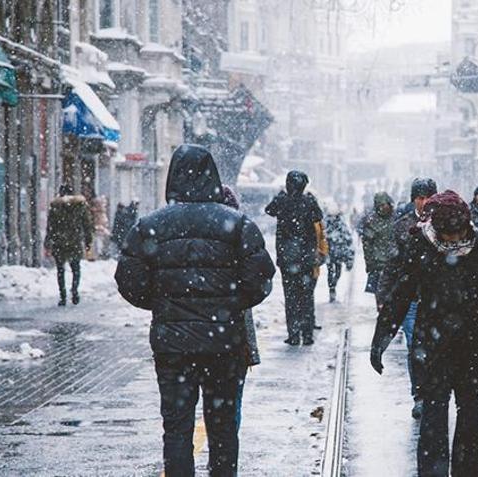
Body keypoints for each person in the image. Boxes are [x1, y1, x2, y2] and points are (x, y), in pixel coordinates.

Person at [115, 145, 275, 476]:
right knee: (222, 428)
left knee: (176, 427)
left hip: (173, 345)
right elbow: (260, 279)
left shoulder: (151, 226)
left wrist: (163, 304)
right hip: (223, 344)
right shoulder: (236, 224)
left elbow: (128, 280)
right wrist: (229, 304)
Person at [370, 190, 478, 477]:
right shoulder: (421, 242)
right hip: (434, 341)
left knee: (469, 408)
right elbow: (403, 290)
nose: (455, 241)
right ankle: (433, 472)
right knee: (434, 408)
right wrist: (383, 334)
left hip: (472, 340)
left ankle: (467, 472)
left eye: (459, 234)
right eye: (449, 236)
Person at [378, 177, 437, 419]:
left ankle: (435, 390)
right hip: (411, 297)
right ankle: (420, 394)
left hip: (437, 296)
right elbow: (391, 264)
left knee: (436, 346)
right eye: (420, 198)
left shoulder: (445, 220)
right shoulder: (402, 225)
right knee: (416, 345)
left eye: (427, 197)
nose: (424, 203)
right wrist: (383, 296)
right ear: (414, 199)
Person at [265, 170, 327, 346]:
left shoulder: (282, 201)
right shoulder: (309, 201)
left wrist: (281, 197)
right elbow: (318, 216)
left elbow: (269, 210)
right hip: (306, 257)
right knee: (306, 297)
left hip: (287, 258)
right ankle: (307, 335)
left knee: (291, 298)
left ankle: (293, 334)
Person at [220, 184, 262, 435]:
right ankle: (225, 460)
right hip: (233, 337)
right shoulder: (241, 236)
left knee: (181, 415)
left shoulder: (185, 234)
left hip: (192, 340)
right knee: (230, 402)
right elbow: (260, 281)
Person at [45, 184, 93, 306]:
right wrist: (88, 242)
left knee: (60, 270)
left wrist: (48, 241)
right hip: (75, 241)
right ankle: (75, 290)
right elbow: (87, 225)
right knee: (75, 268)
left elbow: (50, 226)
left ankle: (63, 296)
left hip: (59, 242)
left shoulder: (55, 206)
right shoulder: (80, 205)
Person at [358, 192, 396, 308]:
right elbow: (367, 246)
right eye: (381, 205)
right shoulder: (371, 221)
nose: (384, 208)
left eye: (386, 204)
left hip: (394, 263)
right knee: (381, 297)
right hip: (379, 264)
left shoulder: (396, 218)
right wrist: (370, 264)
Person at [324, 202, 355, 303]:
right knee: (333, 272)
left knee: (336, 272)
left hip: (336, 253)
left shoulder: (340, 224)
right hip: (332, 252)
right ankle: (331, 289)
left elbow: (347, 239)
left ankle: (332, 286)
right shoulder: (328, 223)